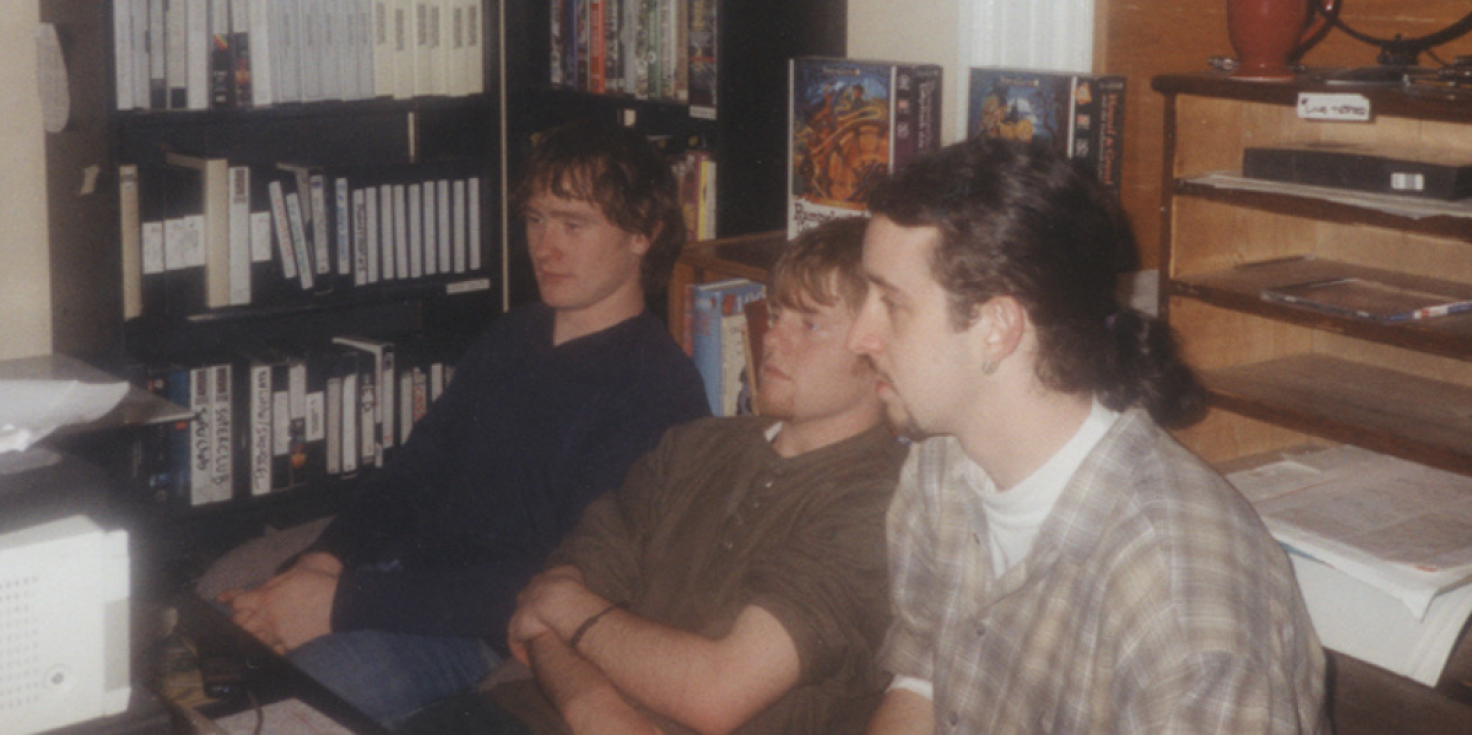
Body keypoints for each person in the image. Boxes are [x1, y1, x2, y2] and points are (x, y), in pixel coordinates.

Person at [215, 122, 711, 727]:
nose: (545, 247)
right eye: (535, 220)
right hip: (402, 573)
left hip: (481, 630)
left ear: (642, 235)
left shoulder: (656, 391)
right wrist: (326, 561)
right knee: (215, 629)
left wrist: (341, 604)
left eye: (573, 225)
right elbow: (417, 470)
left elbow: (562, 585)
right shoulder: (517, 333)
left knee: (275, 704)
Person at [847, 138, 1328, 733]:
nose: (859, 336)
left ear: (996, 329)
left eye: (891, 303)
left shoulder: (1183, 612)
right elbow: (923, 684)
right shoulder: (942, 465)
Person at [404, 216, 907, 735]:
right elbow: (538, 610)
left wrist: (573, 612)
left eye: (810, 323)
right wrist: (594, 706)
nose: (772, 338)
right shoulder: (694, 445)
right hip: (534, 712)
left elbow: (716, 694)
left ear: (881, 348)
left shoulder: (884, 503)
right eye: (775, 313)